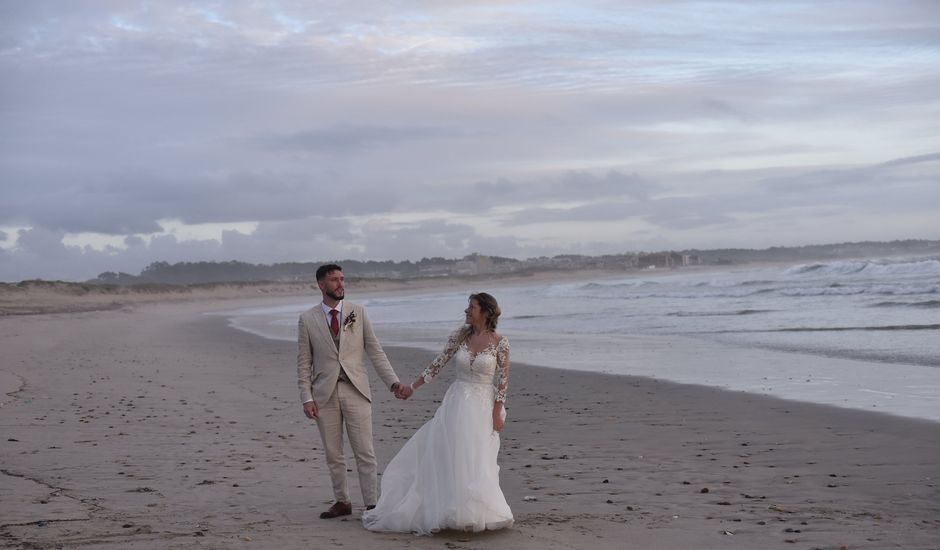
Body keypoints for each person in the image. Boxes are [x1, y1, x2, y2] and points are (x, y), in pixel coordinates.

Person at [362, 292, 514, 535]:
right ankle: (450, 509)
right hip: (457, 402)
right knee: (451, 453)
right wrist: (412, 387)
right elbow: (437, 364)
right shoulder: (460, 337)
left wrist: (498, 410)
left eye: (471, 307)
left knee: (477, 456)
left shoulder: (500, 343)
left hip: (483, 405)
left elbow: (504, 379)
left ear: (485, 312)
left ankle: (476, 511)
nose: (466, 311)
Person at [297, 264, 405, 519]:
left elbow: (375, 351)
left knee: (364, 451)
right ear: (321, 285)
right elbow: (304, 362)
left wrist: (393, 382)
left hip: (357, 390)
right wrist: (307, 397)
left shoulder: (358, 312)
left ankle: (372, 504)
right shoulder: (307, 319)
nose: (340, 284)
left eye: (342, 279)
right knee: (334, 454)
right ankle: (342, 501)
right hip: (324, 394)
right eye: (334, 280)